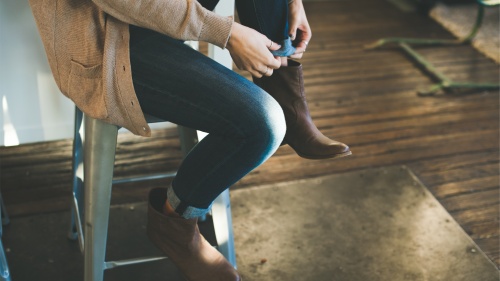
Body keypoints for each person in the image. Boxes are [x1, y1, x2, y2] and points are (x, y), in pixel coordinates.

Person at [29, 0, 350, 280]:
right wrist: (226, 33)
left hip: (155, 16)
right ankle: (174, 222)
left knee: (271, 120)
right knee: (263, 125)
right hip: (105, 41)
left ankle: (286, 93)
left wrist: (292, 2)